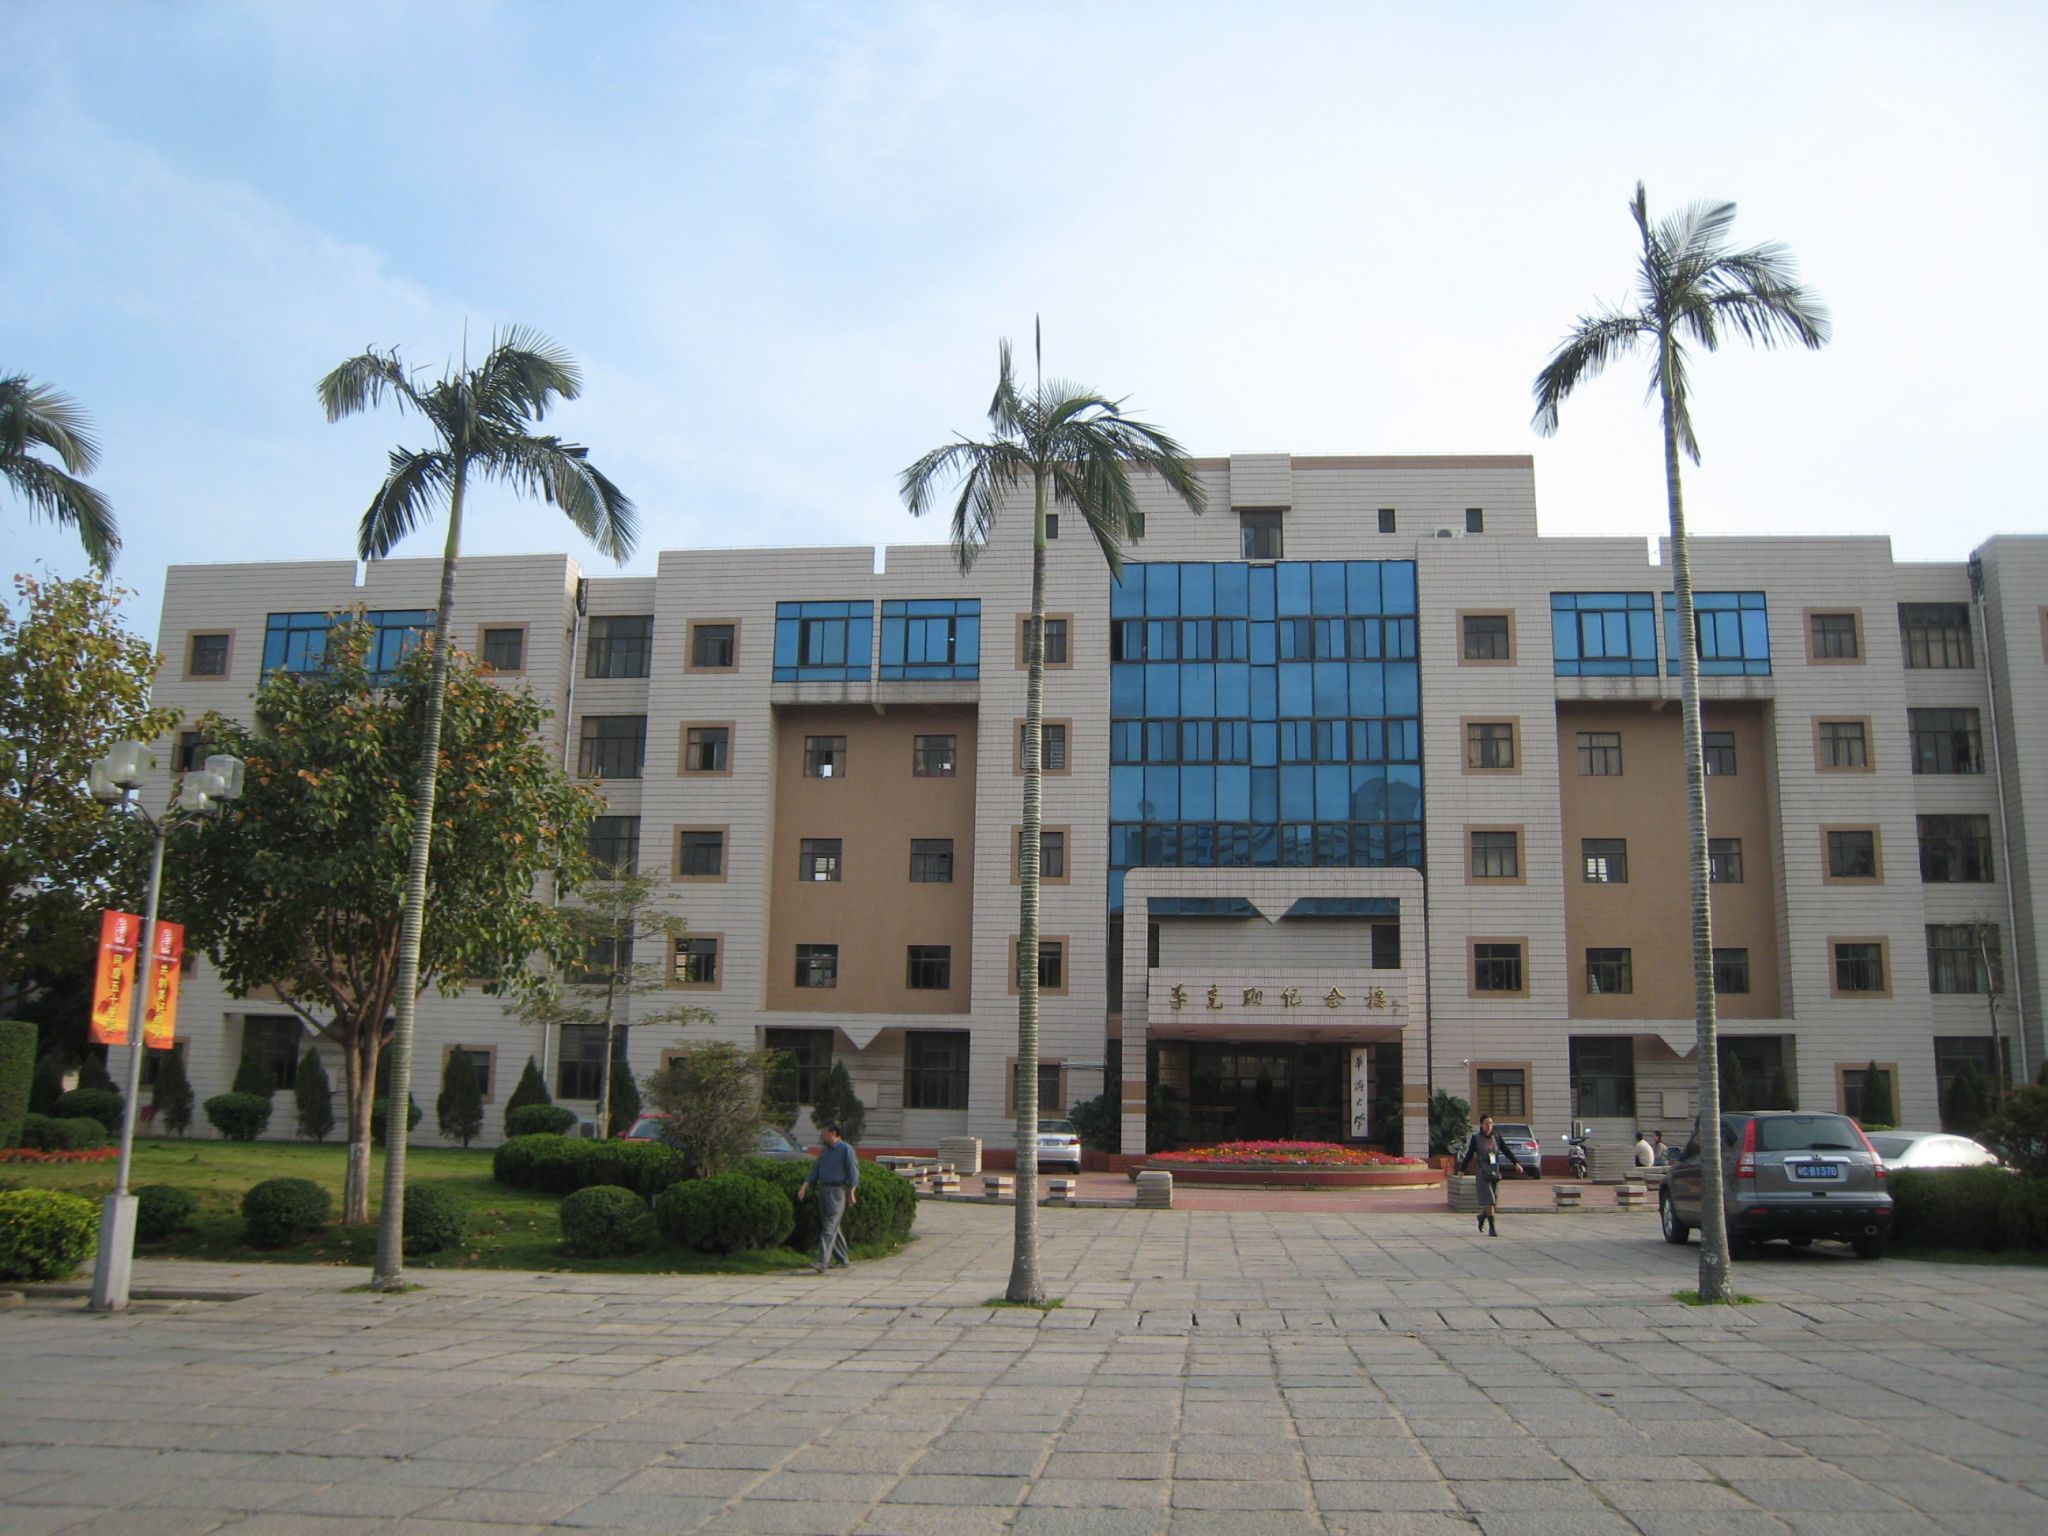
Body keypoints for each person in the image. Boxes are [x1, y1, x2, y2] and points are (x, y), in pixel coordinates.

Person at [797, 1121, 860, 1272]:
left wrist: (851, 1191)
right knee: (832, 1226)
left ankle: (822, 1262)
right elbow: (816, 1169)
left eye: (824, 1131)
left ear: (833, 1133)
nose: (822, 1134)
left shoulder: (846, 1149)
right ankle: (843, 1259)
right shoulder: (825, 1151)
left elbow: (853, 1170)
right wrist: (805, 1186)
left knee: (829, 1226)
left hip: (837, 1192)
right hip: (824, 1190)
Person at [1457, 1113, 1505, 1236]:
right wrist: (1462, 1169)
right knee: (1489, 1200)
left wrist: (1516, 1163)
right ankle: (1492, 1229)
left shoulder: (1496, 1137)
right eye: (1486, 1123)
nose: (1489, 1126)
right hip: (1483, 1173)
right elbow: (1469, 1154)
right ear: (1481, 1125)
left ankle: (1482, 1216)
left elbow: (1506, 1150)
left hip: (1494, 1172)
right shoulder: (1476, 1138)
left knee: (1493, 1201)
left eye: (1491, 1123)